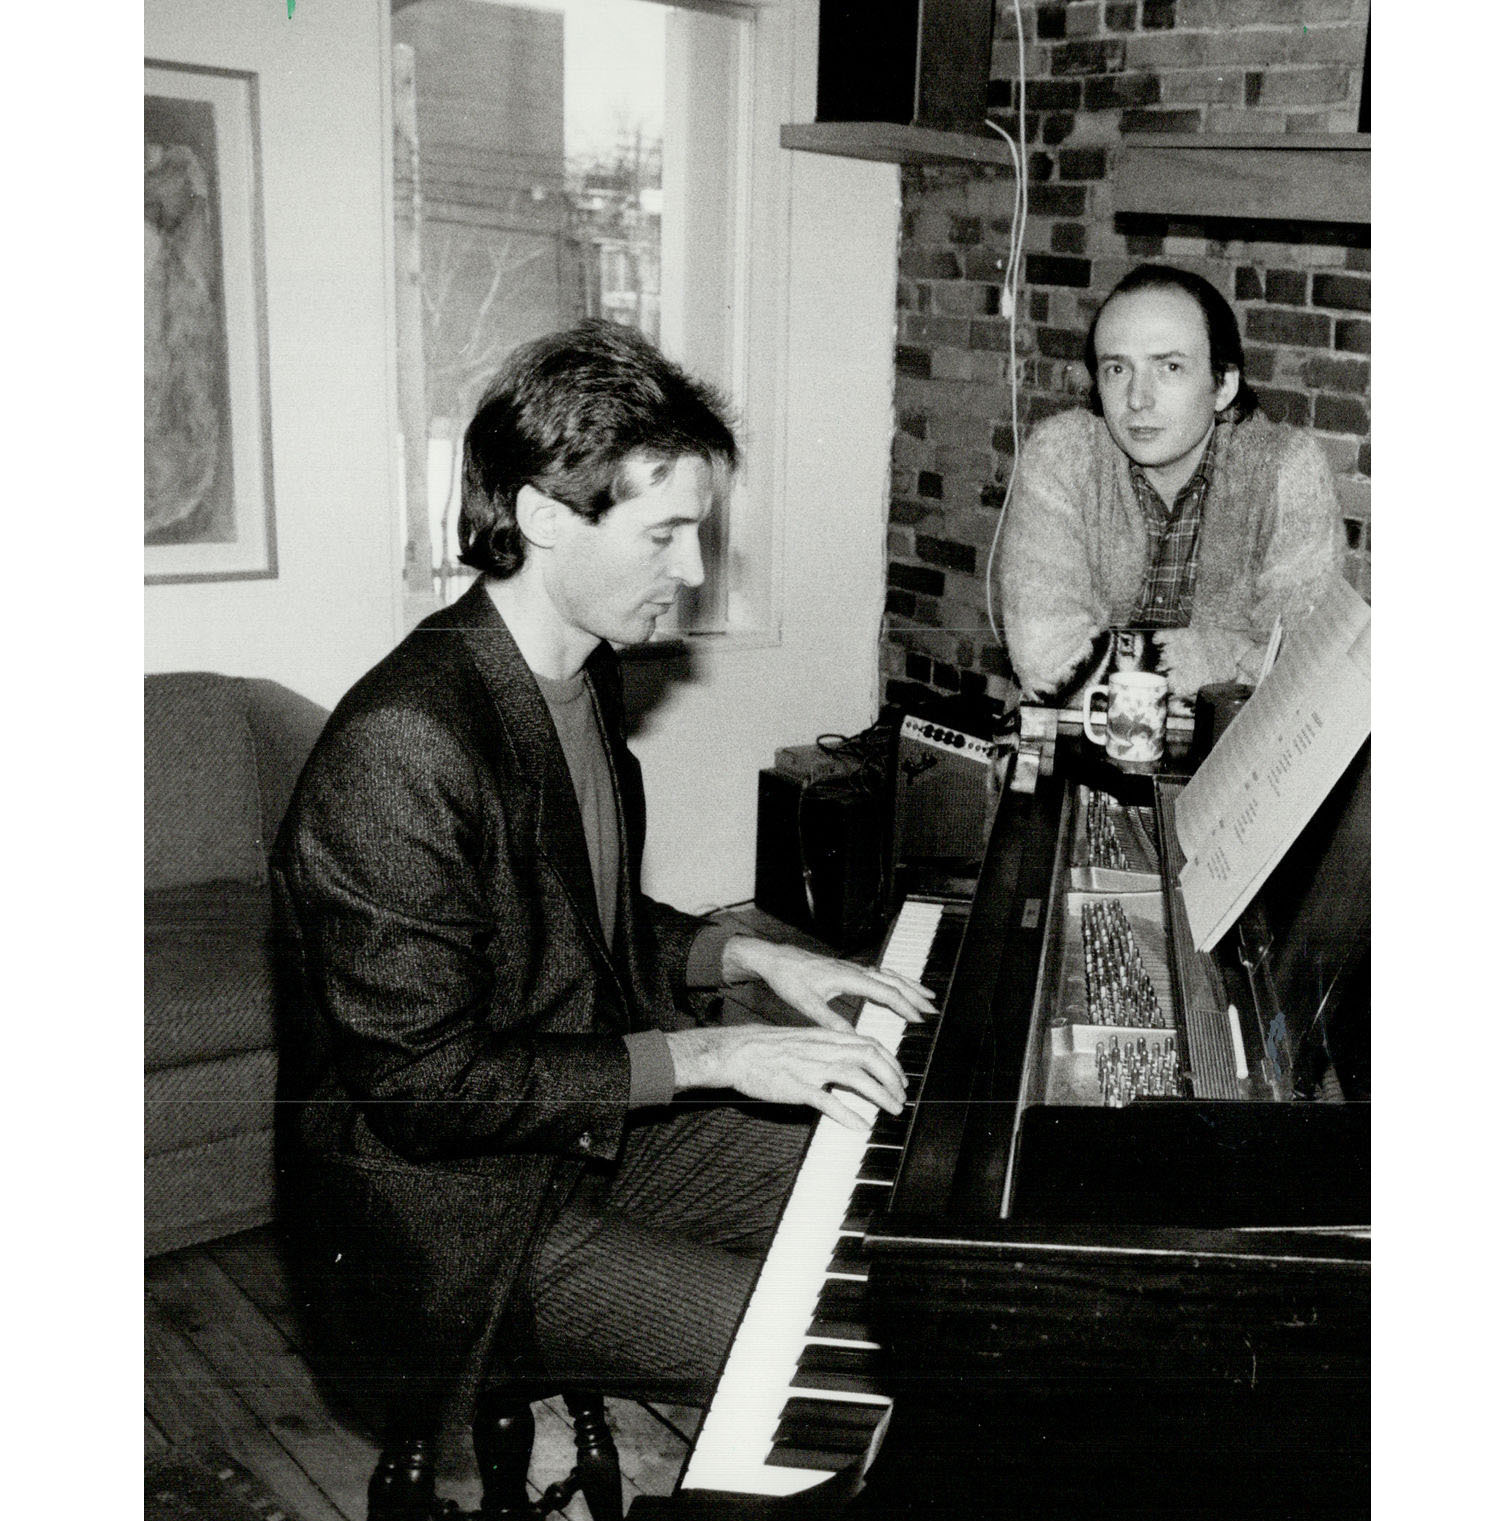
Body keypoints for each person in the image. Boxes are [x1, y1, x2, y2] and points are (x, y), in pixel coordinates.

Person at [271, 320, 934, 1469]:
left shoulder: (583, 675)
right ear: (540, 517)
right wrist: (714, 1055)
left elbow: (570, 924)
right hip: (456, 1223)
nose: (693, 572)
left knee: (898, 1196)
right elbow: (425, 1089)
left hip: (579, 1139)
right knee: (840, 1354)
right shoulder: (401, 747)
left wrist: (743, 955)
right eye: (664, 534)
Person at [997, 263, 1343, 700]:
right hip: (1073, 737)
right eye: (1117, 369)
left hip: (1227, 743)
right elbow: (1049, 664)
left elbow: (1301, 673)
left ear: (1223, 385)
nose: (1137, 399)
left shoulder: (1285, 471)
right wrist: (1235, 653)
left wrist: (1116, 658)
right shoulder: (1064, 455)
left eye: (1170, 367)